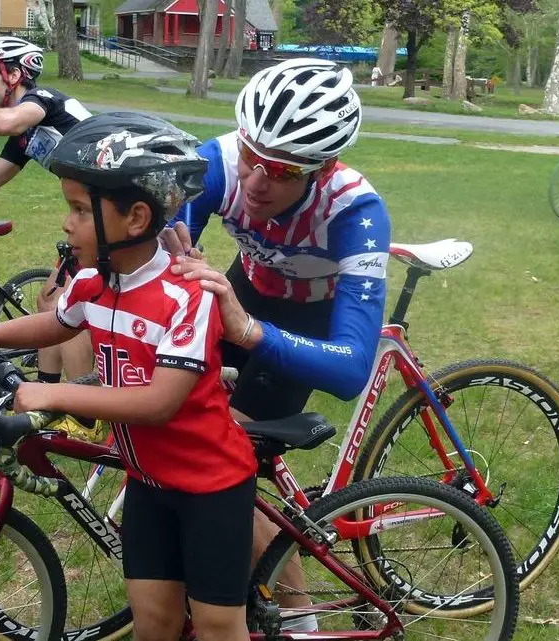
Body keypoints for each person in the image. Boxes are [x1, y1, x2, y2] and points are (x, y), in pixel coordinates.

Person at [0, 113, 258, 641]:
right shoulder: (96, 282)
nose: (67, 223)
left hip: (210, 487)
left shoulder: (187, 296)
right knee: (154, 621)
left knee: (220, 625)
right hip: (147, 482)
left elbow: (159, 403)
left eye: (80, 210)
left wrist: (50, 391)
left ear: (135, 219)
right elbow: (56, 323)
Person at [160, 57, 391, 633]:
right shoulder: (218, 162)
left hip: (305, 318)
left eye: (283, 171)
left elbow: (350, 368)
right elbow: (156, 243)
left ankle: (300, 622)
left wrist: (250, 333)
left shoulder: (356, 212)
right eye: (253, 157)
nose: (258, 181)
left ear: (321, 168)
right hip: (247, 287)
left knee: (223, 456)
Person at [0, 36, 94, 384]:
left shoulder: (42, 100)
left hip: (113, 210)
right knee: (49, 303)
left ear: (14, 74)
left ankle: (85, 417)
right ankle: (47, 395)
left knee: (68, 309)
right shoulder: (25, 138)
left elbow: (8, 122)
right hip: (93, 215)